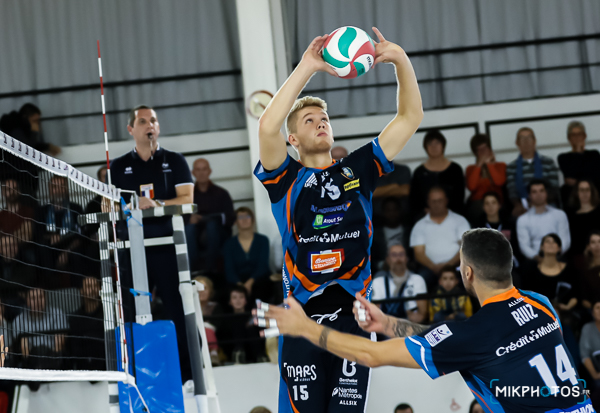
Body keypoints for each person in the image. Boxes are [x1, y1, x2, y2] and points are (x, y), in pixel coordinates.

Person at [253, 27, 423, 412]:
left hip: (354, 321)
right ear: (293, 140)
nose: (320, 123)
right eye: (309, 120)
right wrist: (308, 66)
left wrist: (400, 60)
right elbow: (267, 126)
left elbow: (410, 117)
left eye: (324, 118)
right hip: (301, 321)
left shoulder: (357, 169)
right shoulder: (286, 179)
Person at [256, 228, 593, 412]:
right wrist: (389, 325)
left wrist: (306, 328)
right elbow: (455, 341)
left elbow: (371, 355)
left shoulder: (473, 335)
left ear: (467, 273)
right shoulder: (541, 304)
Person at [109, 105, 194, 381]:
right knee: (132, 312)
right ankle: (134, 374)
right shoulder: (118, 166)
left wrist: (156, 204)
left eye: (153, 121)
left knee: (177, 309)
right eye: (143, 121)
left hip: (168, 246)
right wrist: (130, 205)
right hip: (133, 249)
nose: (149, 125)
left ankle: (188, 374)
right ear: (131, 129)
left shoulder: (175, 160)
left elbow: (187, 199)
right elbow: (111, 204)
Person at [409, 187, 471, 289]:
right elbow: (419, 254)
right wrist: (434, 267)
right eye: (433, 201)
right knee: (419, 280)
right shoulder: (419, 225)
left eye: (440, 201)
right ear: (428, 202)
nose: (437, 204)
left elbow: (465, 249)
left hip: (456, 267)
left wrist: (447, 266)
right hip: (429, 269)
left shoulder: (460, 221)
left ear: (446, 201)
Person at [186, 158, 235, 273]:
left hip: (218, 234)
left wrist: (207, 219)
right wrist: (189, 218)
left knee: (211, 226)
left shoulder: (221, 193)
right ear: (193, 173)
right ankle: (193, 270)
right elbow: (179, 217)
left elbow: (230, 218)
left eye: (204, 169)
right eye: (198, 170)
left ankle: (210, 270)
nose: (201, 173)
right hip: (196, 235)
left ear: (209, 171)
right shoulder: (188, 196)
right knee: (188, 228)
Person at [409, 130, 465, 220]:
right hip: (426, 216)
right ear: (425, 147)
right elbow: (415, 200)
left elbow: (459, 197)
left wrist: (445, 212)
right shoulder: (419, 172)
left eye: (437, 143)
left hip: (453, 215)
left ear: (443, 145)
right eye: (430, 144)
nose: (433, 146)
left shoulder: (455, 169)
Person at [506, 127, 560, 217]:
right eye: (522, 138)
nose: (526, 141)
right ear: (517, 143)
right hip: (523, 205)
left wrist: (538, 203)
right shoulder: (512, 166)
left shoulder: (548, 162)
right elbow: (512, 191)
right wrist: (520, 205)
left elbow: (554, 188)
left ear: (535, 141)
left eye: (529, 138)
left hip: (547, 203)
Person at [222, 207, 271, 301]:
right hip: (237, 282)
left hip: (258, 280)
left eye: (247, 216)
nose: (244, 220)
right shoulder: (229, 244)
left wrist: (250, 282)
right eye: (240, 217)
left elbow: (263, 265)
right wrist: (241, 286)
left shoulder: (263, 240)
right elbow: (229, 269)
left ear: (253, 220)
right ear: (235, 222)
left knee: (264, 286)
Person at [12, 289, 69, 370]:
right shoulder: (19, 321)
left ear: (45, 298)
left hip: (54, 362)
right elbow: (25, 351)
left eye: (40, 297)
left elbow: (59, 346)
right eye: (33, 298)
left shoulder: (57, 314)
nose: (37, 301)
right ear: (27, 301)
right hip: (32, 364)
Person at [522, 234, 578, 316]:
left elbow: (576, 294)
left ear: (559, 248)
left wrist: (567, 307)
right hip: (537, 313)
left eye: (554, 242)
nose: (551, 244)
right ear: (541, 247)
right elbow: (525, 294)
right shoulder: (531, 270)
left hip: (564, 313)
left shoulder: (569, 270)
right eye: (547, 241)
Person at [516, 179, 570, 262]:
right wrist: (538, 257)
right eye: (534, 192)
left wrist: (554, 255)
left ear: (546, 193)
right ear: (529, 195)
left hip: (558, 257)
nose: (538, 194)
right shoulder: (522, 220)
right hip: (535, 261)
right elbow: (524, 246)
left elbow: (565, 240)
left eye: (541, 191)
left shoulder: (560, 214)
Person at [371, 244, 428, 323]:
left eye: (401, 254)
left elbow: (421, 315)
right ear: (388, 259)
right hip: (384, 326)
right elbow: (374, 314)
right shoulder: (378, 282)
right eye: (394, 255)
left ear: (407, 258)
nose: (398, 258)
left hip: (411, 326)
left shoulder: (418, 279)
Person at [465, 133, 506, 224]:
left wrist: (489, 164)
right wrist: (479, 164)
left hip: (497, 201)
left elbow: (499, 182)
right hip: (478, 204)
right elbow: (471, 187)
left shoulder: (501, 165)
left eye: (485, 148)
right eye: (479, 150)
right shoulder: (471, 169)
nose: (483, 152)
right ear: (475, 153)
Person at [218, 286, 265, 364]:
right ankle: (238, 353)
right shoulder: (225, 320)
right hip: (232, 353)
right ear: (230, 301)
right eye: (234, 297)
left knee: (251, 328)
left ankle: (260, 356)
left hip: (254, 353)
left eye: (241, 297)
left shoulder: (254, 317)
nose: (238, 300)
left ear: (245, 300)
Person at [558, 121, 600, 207]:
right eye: (573, 135)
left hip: (594, 195)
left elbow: (595, 177)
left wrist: (577, 180)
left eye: (579, 134)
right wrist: (577, 150)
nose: (577, 138)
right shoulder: (563, 157)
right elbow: (569, 178)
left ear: (584, 136)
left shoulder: (594, 154)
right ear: (569, 138)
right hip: (573, 197)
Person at [68, 277, 105, 371]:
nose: (92, 289)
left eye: (95, 286)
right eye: (88, 286)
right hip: (83, 369)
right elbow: (75, 349)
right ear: (81, 291)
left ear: (100, 289)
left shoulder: (107, 314)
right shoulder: (75, 318)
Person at [568, 180, 600, 264]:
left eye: (587, 190)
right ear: (577, 193)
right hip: (579, 257)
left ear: (592, 192)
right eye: (581, 190)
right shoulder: (572, 217)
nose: (584, 193)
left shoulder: (599, 212)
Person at [372, 197, 407, 270]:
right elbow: (373, 258)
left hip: (406, 266)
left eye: (394, 210)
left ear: (400, 211)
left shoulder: (408, 231)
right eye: (388, 210)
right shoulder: (376, 234)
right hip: (384, 269)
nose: (392, 213)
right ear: (383, 212)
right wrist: (383, 265)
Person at [579, 300, 600, 408]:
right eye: (598, 308)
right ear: (592, 312)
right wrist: (595, 375)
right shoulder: (588, 328)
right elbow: (585, 355)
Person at [581, 231, 600, 310]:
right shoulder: (584, 270)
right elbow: (583, 299)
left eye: (599, 241)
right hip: (594, 310)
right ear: (588, 247)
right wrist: (595, 309)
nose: (597, 245)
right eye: (593, 242)